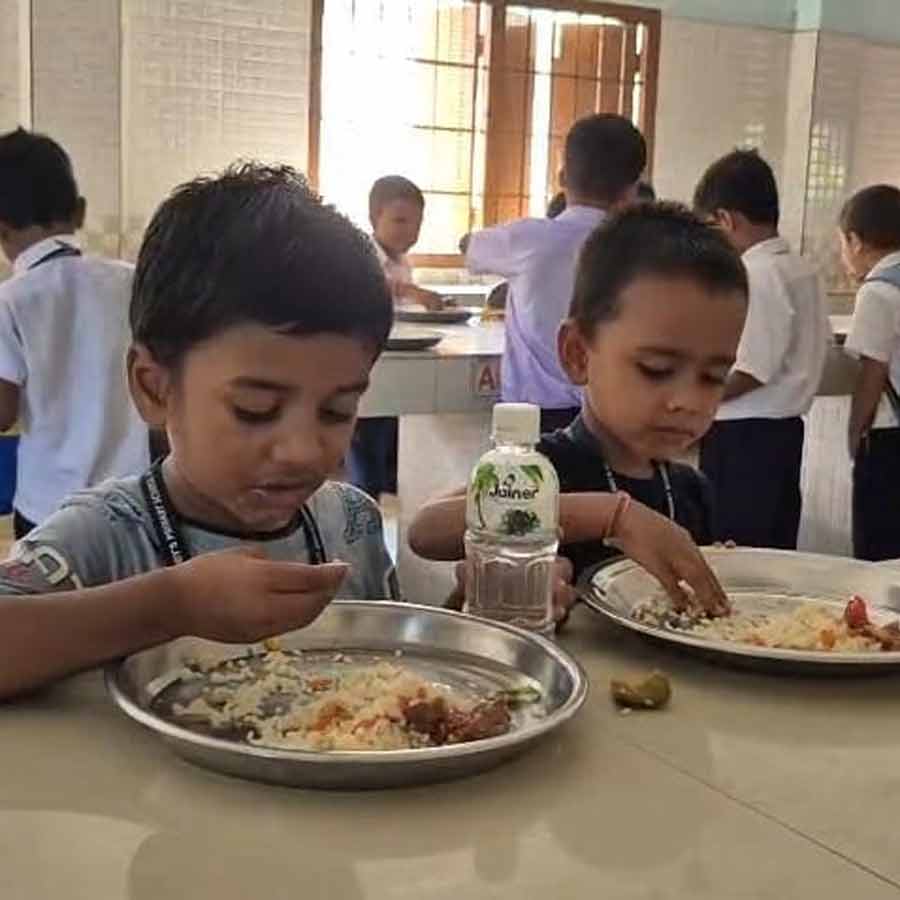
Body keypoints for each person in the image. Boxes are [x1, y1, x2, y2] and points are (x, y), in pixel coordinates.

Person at [0, 162, 400, 700]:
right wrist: (170, 606)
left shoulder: (352, 526)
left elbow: (399, 668)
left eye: (336, 411)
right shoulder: (103, 537)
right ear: (155, 388)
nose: (302, 451)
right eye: (255, 410)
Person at [409, 202, 748, 613]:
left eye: (713, 377)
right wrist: (612, 516)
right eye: (656, 369)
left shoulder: (691, 490)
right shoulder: (539, 470)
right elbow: (426, 529)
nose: (688, 401)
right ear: (577, 355)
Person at [0, 127, 149, 537]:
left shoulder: (11, 300)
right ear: (80, 212)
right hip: (131, 504)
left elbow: (2, 413)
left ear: (2, 228)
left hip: (48, 509)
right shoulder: (135, 282)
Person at [462, 114, 647, 434]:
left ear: (562, 177)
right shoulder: (640, 250)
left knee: (525, 469)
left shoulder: (528, 239)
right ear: (632, 188)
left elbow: (469, 247)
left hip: (529, 415)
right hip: (608, 412)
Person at [693, 149, 830, 549]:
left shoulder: (757, 272)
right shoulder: (801, 269)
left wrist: (698, 403)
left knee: (736, 551)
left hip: (744, 437)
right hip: (781, 433)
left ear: (725, 219)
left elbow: (753, 369)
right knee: (772, 548)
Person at [345, 175, 442, 500]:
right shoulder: (362, 254)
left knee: (387, 454)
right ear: (375, 218)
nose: (410, 231)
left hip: (392, 370)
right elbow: (369, 286)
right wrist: (412, 291)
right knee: (365, 463)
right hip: (366, 374)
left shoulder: (402, 262)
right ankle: (359, 512)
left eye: (417, 223)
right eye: (400, 220)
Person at [840, 185, 900, 560]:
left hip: (891, 442)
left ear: (855, 241)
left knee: (880, 549)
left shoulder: (878, 291)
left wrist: (854, 433)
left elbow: (872, 374)